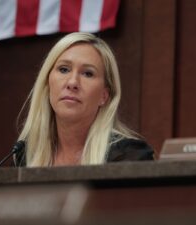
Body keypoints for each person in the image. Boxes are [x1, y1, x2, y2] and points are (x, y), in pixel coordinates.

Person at [14, 32, 154, 167]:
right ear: (47, 84)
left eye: (88, 73)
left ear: (104, 96)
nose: (72, 82)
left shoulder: (128, 156)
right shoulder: (25, 156)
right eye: (64, 69)